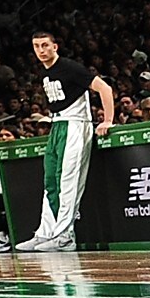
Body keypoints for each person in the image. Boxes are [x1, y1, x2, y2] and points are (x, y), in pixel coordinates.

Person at [17, 28, 113, 253]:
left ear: (54, 47)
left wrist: (107, 120)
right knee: (51, 180)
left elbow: (104, 88)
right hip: (57, 126)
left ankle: (64, 236)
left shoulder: (70, 68)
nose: (41, 50)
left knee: (68, 183)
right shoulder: (44, 72)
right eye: (36, 47)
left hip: (75, 125)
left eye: (45, 46)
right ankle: (45, 233)